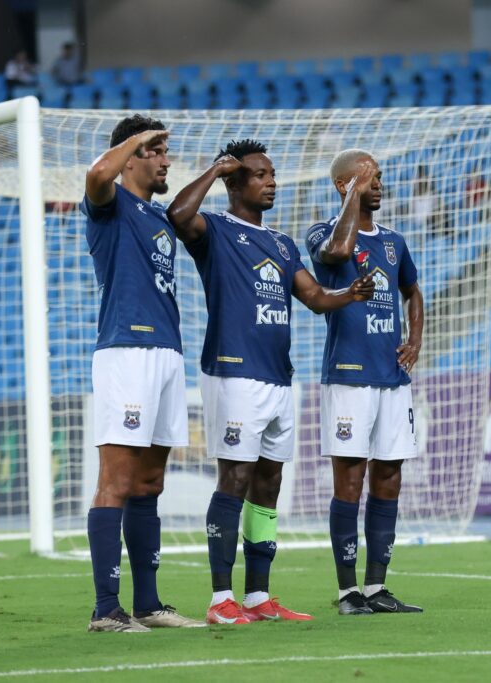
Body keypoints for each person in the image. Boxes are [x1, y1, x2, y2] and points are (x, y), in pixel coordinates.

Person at [166, 139, 375, 625]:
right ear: (234, 183)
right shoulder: (215, 229)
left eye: (273, 174)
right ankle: (221, 598)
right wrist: (215, 170)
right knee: (235, 478)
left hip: (279, 376)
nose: (272, 182)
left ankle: (258, 596)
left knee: (268, 482)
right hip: (234, 371)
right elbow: (177, 215)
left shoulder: (282, 243)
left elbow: (315, 297)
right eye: (260, 175)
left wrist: (350, 293)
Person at [82, 114, 202, 632]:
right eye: (156, 151)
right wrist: (135, 138)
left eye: (165, 151)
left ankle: (148, 604)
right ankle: (106, 608)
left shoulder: (158, 217)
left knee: (150, 481)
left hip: (167, 353)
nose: (166, 161)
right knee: (116, 480)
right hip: (126, 351)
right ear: (130, 157)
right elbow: (95, 176)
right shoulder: (109, 204)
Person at [306, 149, 425, 616]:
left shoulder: (394, 241)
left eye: (378, 178)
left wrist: (414, 339)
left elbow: (412, 290)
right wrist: (351, 201)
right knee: (350, 480)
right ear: (344, 185)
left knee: (389, 477)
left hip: (392, 377)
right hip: (349, 376)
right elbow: (336, 253)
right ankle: (347, 592)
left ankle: (377, 587)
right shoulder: (323, 232)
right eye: (369, 178)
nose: (379, 184)